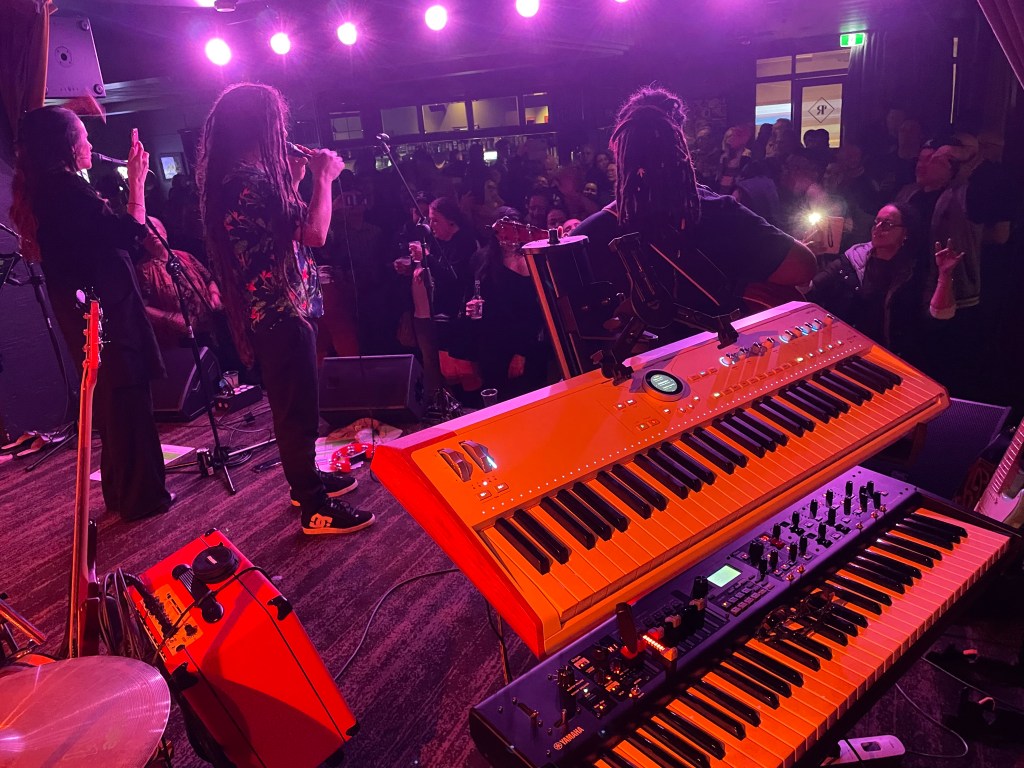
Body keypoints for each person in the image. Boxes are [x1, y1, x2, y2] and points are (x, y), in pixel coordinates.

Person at [196, 83, 373, 536]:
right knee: (297, 412)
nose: (284, 131)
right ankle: (314, 507)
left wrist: (293, 182)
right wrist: (324, 179)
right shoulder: (251, 182)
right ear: (260, 126)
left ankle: (305, 482)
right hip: (280, 311)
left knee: (297, 406)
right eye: (277, 122)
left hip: (275, 310)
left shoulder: (240, 179)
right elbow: (314, 233)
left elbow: (278, 228)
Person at [10, 106, 173, 521]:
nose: (90, 143)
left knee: (115, 406)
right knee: (128, 401)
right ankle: (143, 498)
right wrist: (136, 182)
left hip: (92, 311)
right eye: (83, 136)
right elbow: (128, 233)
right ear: (66, 145)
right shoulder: (66, 191)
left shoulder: (51, 191)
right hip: (107, 313)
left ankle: (122, 491)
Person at [574, 85, 815, 340]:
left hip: (636, 366)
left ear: (621, 153)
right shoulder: (719, 213)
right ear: (681, 145)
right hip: (725, 357)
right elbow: (802, 267)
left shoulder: (587, 237)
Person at [802, 203, 963, 352]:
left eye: (887, 224)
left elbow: (937, 317)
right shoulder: (852, 259)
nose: (877, 228)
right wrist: (804, 259)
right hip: (849, 350)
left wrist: (945, 275)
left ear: (906, 233)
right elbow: (810, 291)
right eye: (876, 222)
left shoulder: (917, 269)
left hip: (895, 354)